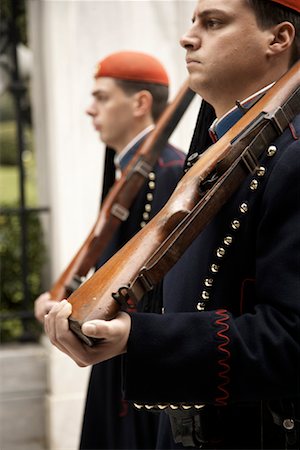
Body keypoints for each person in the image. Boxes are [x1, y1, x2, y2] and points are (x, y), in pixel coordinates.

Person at [44, 1, 300, 449]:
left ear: (278, 39)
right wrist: (107, 324)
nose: (188, 36)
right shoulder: (220, 151)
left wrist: (140, 338)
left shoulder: (290, 157)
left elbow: (289, 339)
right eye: (193, 21)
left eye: (214, 22)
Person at [35, 51, 186, 449]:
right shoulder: (132, 168)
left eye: (102, 97)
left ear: (140, 103)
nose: (90, 109)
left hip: (133, 362)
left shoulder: (169, 171)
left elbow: (157, 286)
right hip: (114, 360)